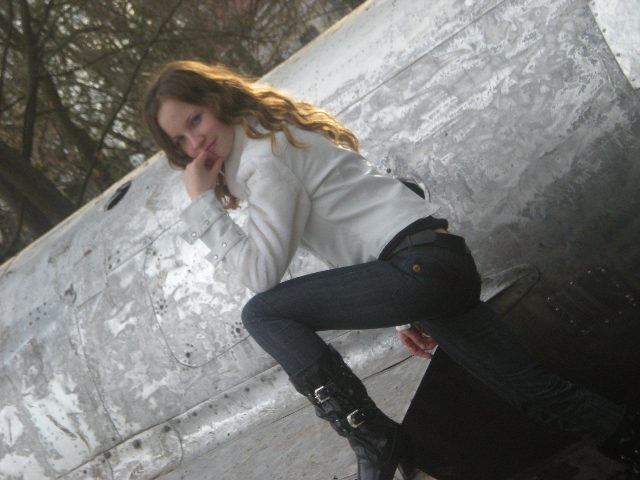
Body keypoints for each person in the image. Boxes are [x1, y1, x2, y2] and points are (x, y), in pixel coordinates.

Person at [143, 60, 639, 480]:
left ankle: (372, 436)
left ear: (218, 102)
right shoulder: (274, 137)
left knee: (264, 313)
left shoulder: (262, 161)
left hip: (417, 267)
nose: (196, 141)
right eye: (180, 138)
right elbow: (369, 212)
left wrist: (201, 207)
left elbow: (261, 274)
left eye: (196, 119)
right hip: (433, 261)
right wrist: (404, 310)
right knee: (537, 392)